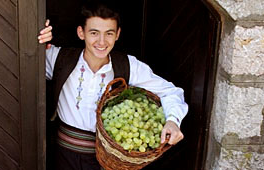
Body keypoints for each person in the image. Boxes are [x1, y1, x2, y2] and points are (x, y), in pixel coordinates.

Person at [38, 1, 188, 169]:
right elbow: (25, 55)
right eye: (94, 33)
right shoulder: (58, 58)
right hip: (62, 155)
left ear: (117, 34)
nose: (101, 42)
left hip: (106, 160)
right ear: (81, 33)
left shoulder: (128, 65)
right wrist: (38, 33)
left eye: (109, 33)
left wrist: (173, 121)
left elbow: (171, 92)